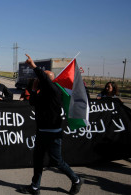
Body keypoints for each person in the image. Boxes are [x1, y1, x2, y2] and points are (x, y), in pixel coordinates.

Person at [19, 54, 83, 195]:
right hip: (42, 131)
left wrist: (33, 66)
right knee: (38, 160)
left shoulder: (54, 91)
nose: (39, 79)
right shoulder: (43, 94)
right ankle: (35, 187)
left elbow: (45, 79)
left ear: (50, 80)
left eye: (44, 78)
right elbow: (32, 102)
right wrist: (34, 90)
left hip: (53, 134)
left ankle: (76, 179)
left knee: (57, 161)